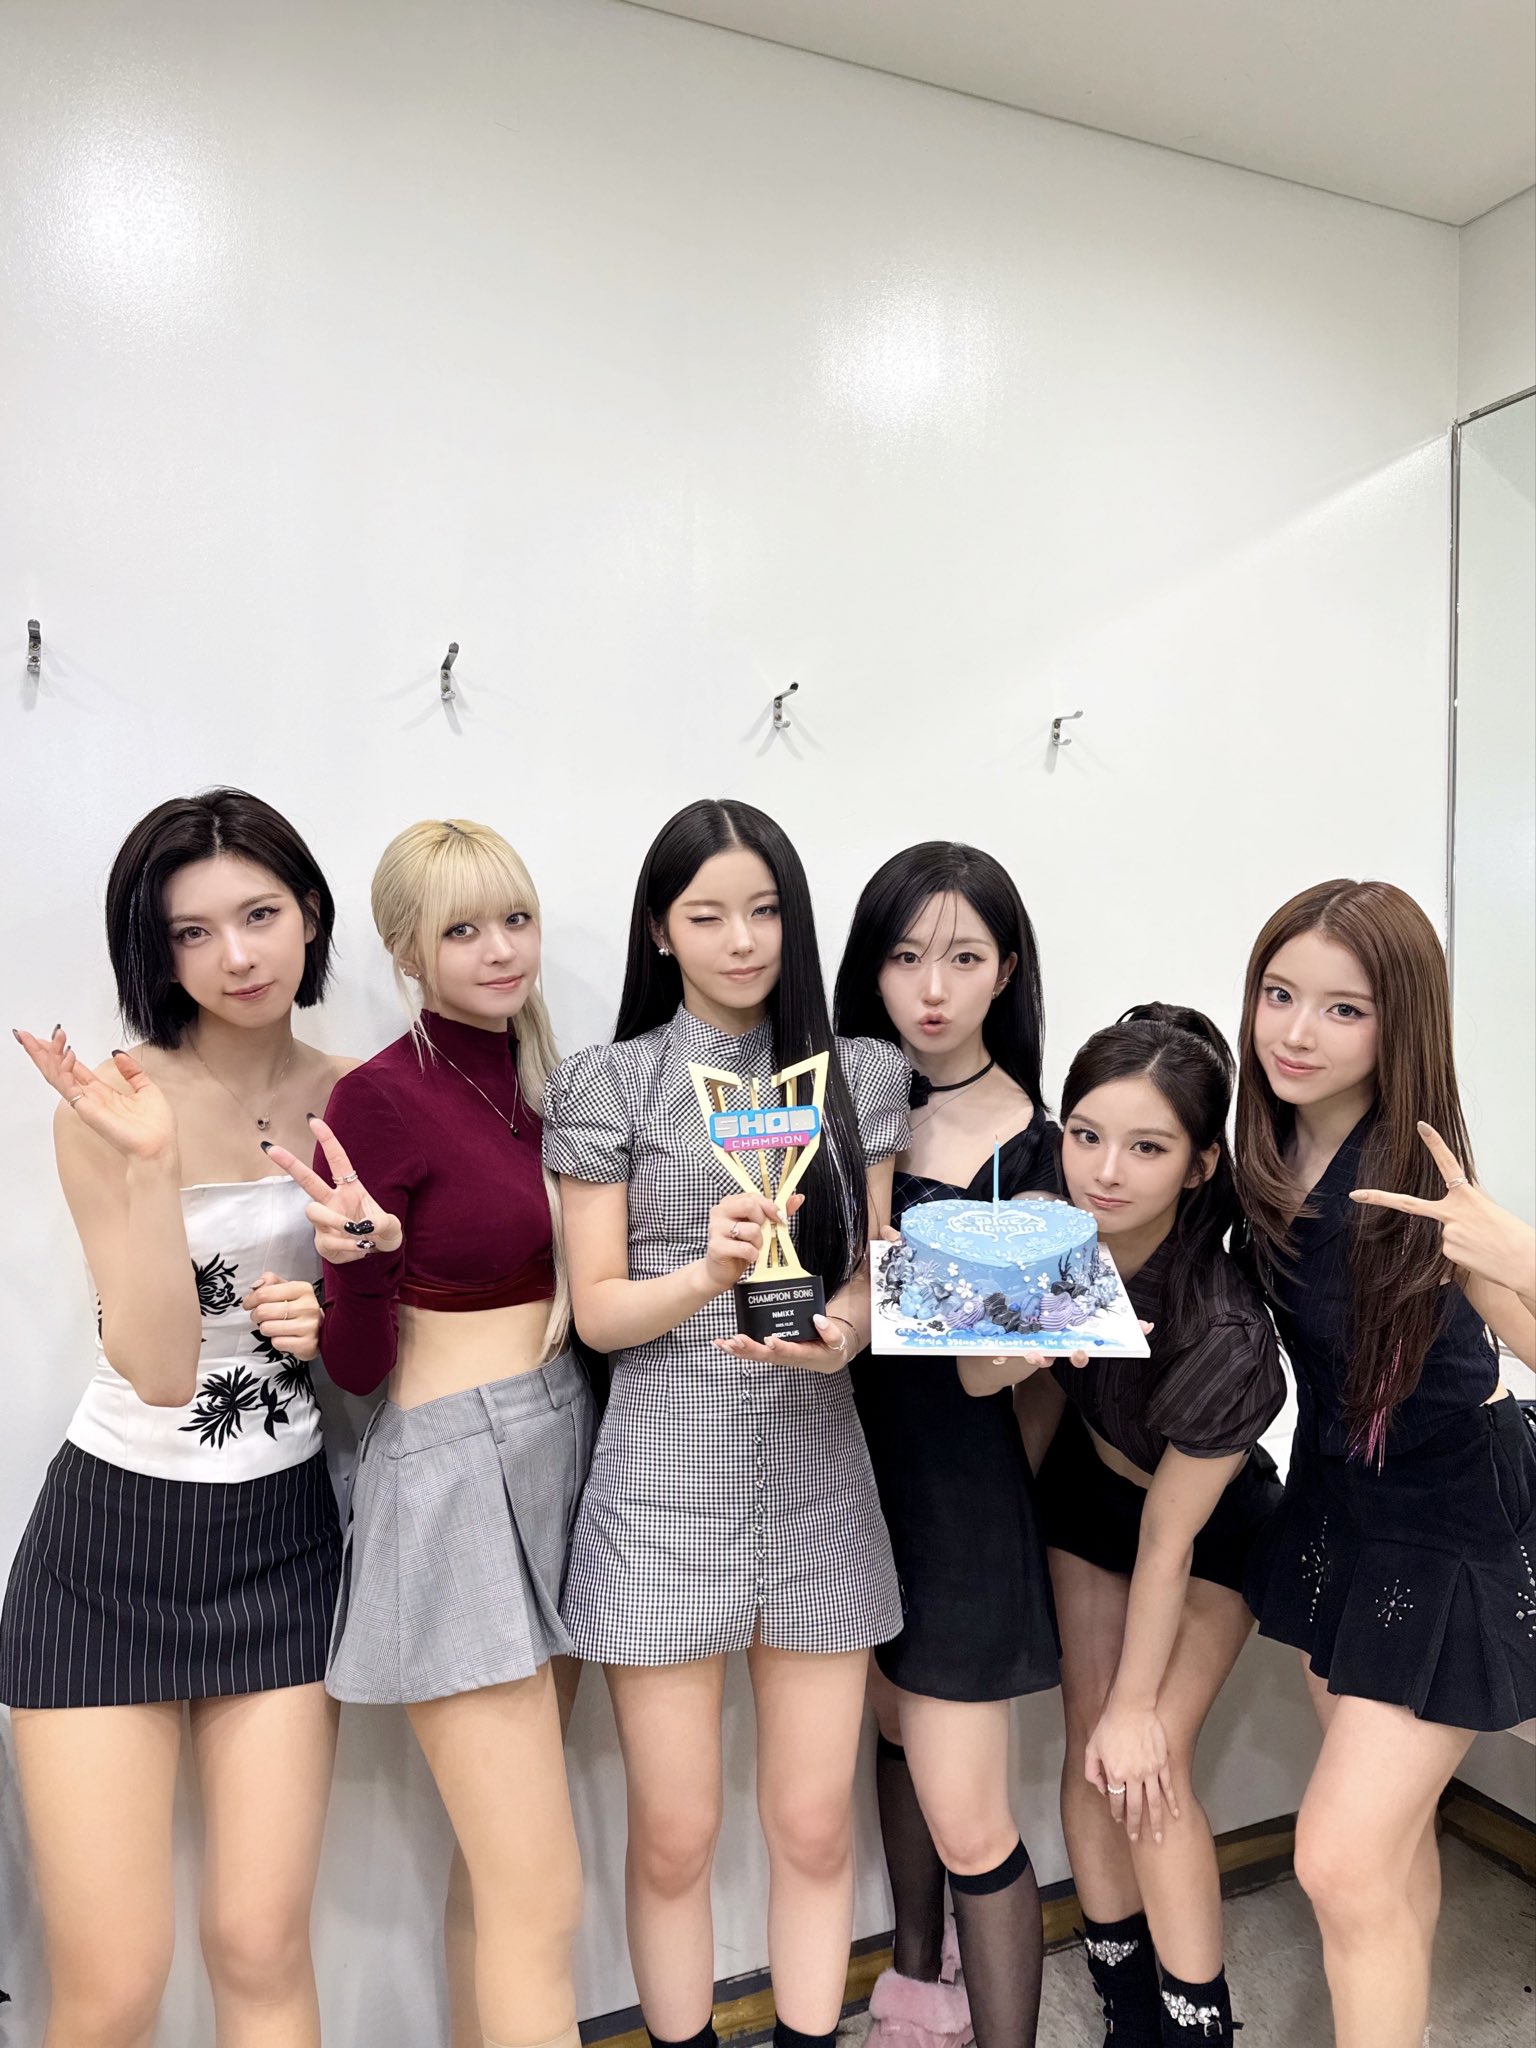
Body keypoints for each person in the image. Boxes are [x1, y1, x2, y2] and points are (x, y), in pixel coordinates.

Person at [542, 798, 909, 2048]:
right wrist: (707, 1272)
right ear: (661, 928)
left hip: (817, 1471)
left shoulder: (859, 1074)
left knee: (813, 1821)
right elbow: (598, 1312)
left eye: (764, 910)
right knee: (675, 1831)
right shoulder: (610, 1082)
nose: (742, 939)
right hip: (661, 1484)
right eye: (708, 915)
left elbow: (874, 1267)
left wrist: (843, 1333)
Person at [1, 788, 347, 2047]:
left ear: (309, 914)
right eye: (192, 932)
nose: (236, 955)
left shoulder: (360, 1096)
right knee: (114, 1983)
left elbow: (389, 1337)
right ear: (155, 951)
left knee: (261, 1943)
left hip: (283, 1538)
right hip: (106, 1548)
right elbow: (153, 1366)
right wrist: (150, 1163)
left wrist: (341, 1316)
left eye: (259, 914)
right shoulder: (109, 1102)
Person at [266, 818, 594, 2048]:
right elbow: (356, 1364)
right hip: (451, 1472)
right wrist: (360, 1263)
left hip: (559, 1443)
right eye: (462, 929)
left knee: (507, 1881)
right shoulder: (379, 1096)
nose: (500, 949)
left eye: (515, 918)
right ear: (406, 950)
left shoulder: (547, 1080)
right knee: (540, 1890)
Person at [1235, 878, 1536, 2048]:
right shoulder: (1266, 1148)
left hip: (1450, 1523)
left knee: (1339, 1860)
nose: (1297, 1031)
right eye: (1279, 993)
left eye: (1343, 1008)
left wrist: (1518, 1252)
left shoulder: (1419, 1183)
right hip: (1339, 1508)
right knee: (1387, 1853)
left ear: (1397, 1023)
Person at [975, 1005, 1284, 2047]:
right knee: (1089, 1755)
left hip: (1204, 1533)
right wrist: (1026, 1334)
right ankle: (1126, 2009)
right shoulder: (1053, 1238)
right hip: (1089, 1495)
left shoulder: (1224, 1328)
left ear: (1200, 1165)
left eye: (1147, 1147)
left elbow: (1169, 1539)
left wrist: (1141, 1702)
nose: (1104, 1170)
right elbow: (990, 1383)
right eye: (1086, 1134)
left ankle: (1199, 2027)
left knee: (1146, 1766)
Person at [833, 841, 1059, 2048]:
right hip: (836, 1476)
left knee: (971, 1814)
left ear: (1005, 970)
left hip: (962, 1496)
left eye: (964, 957)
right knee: (889, 1735)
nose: (932, 987)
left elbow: (1003, 1375)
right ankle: (919, 1987)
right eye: (907, 955)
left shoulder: (1041, 1144)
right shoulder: (820, 1111)